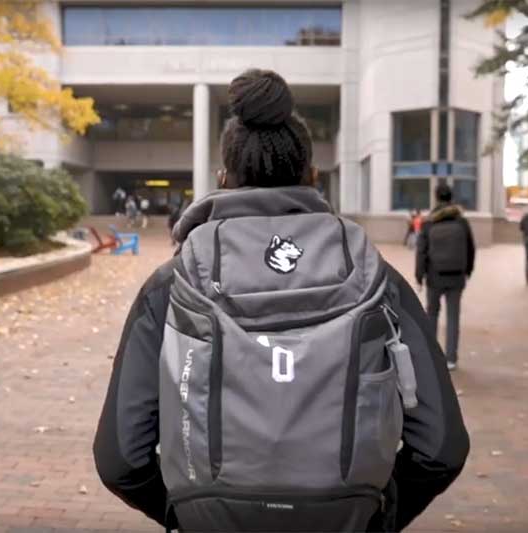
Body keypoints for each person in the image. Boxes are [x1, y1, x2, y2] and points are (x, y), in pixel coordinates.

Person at [94, 69, 469, 532]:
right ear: (312, 177)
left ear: (222, 178)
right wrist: (376, 515)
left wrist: (185, 512)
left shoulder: (171, 284)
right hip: (347, 514)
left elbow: (120, 460)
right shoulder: (377, 279)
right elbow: (441, 447)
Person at [416, 183, 475, 371]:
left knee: (432, 314)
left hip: (434, 275)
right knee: (453, 316)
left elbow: (421, 251)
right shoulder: (462, 221)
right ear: (451, 197)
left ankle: (433, 356)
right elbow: (471, 248)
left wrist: (419, 275)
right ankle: (451, 359)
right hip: (457, 276)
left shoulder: (428, 222)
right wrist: (467, 271)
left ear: (436, 197)